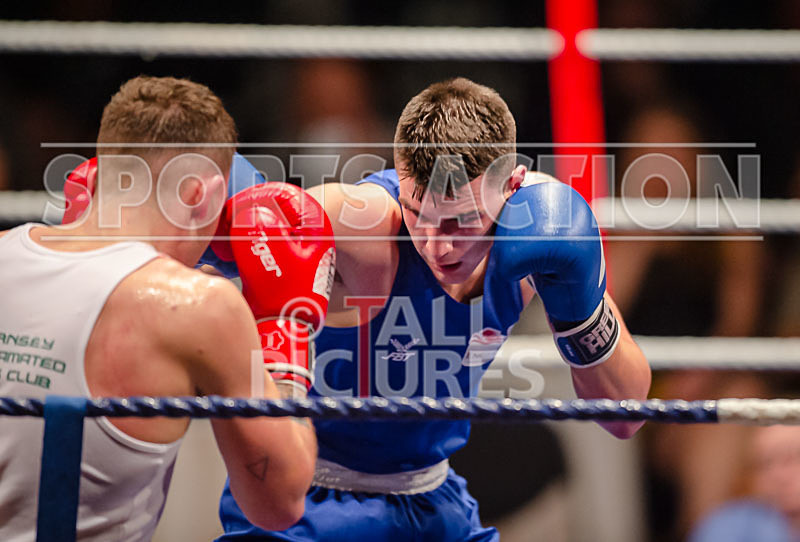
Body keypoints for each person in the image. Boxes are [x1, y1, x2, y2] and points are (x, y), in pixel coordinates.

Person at [216, 77, 651, 540]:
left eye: (461, 221)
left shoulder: (548, 226)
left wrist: (582, 310)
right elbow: (248, 217)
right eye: (417, 214)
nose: (436, 245)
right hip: (305, 502)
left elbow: (625, 415)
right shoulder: (359, 225)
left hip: (433, 501)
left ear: (513, 186)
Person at [0, 75, 335, 540]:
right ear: (201, 194)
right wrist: (283, 327)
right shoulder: (199, 306)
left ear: (96, 176)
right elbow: (278, 503)